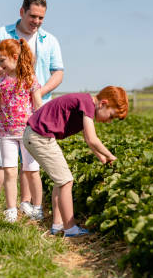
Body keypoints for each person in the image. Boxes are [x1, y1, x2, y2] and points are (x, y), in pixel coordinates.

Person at [0, 0, 64, 219]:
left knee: (29, 163)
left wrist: (37, 92)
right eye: (33, 16)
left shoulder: (49, 40)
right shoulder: (1, 35)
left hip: (32, 113)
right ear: (21, 12)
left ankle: (27, 203)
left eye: (41, 18)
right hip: (5, 110)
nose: (36, 21)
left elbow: (58, 72)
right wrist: (8, 73)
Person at [23, 86, 128, 237]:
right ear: (103, 103)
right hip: (40, 137)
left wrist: (102, 158)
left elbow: (87, 139)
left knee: (61, 180)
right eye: (111, 116)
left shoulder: (85, 103)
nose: (109, 121)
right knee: (66, 181)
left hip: (36, 135)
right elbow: (92, 139)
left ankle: (57, 224)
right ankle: (70, 228)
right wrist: (111, 156)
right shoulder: (87, 104)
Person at [0, 38, 43, 222]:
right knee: (9, 171)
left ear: (15, 57)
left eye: (2, 60)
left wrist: (42, 128)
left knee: (31, 171)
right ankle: (11, 210)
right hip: (6, 133)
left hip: (27, 133)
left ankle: (37, 207)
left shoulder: (29, 79)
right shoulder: (0, 81)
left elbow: (38, 105)